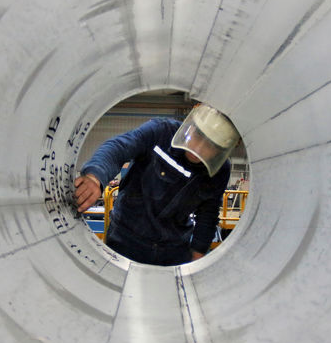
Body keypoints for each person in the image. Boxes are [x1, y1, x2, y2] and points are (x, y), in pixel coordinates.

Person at [74, 103, 240, 266]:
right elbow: (118, 148)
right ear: (191, 126)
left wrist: (197, 256)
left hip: (173, 250)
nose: (199, 147)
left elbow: (208, 215)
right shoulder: (160, 133)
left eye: (210, 145)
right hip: (126, 240)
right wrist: (95, 176)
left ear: (220, 150)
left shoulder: (219, 170)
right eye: (198, 135)